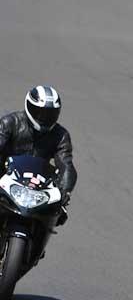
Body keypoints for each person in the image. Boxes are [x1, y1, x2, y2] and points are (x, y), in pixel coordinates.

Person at [0, 86, 77, 224]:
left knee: (56, 214)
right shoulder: (10, 123)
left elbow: (66, 164)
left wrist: (65, 191)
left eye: (50, 115)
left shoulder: (61, 135)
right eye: (40, 113)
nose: (44, 118)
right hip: (5, 179)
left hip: (37, 187)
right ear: (29, 107)